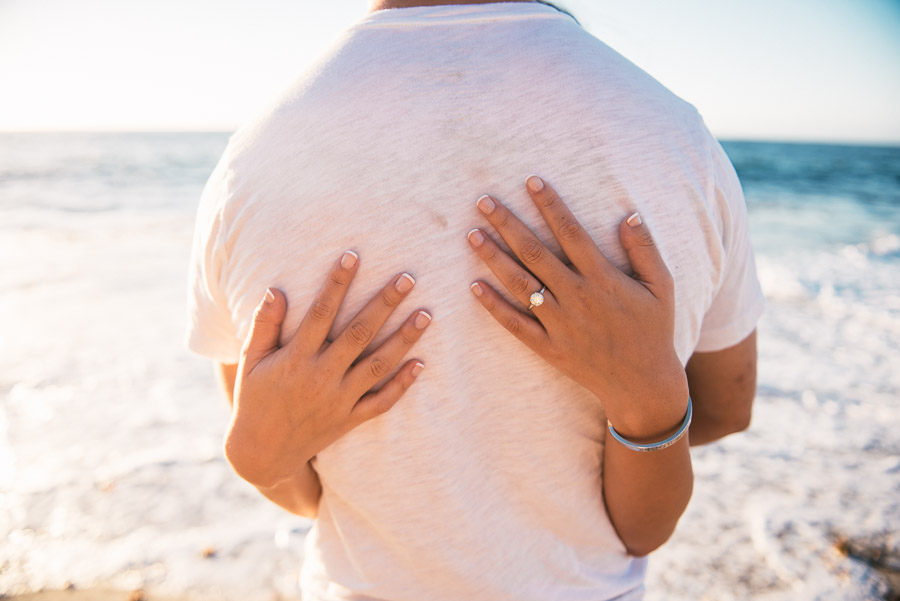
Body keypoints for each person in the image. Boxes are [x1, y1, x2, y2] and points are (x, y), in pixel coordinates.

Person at [185, 1, 764, 599]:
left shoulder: (251, 163)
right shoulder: (675, 139)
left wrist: (255, 459)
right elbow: (719, 415)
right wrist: (646, 393)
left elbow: (302, 490)